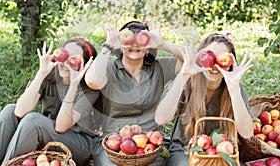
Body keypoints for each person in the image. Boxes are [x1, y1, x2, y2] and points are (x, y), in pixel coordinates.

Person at [0, 38, 100, 166]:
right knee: (9, 110)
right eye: (64, 54)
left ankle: (7, 164)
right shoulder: (50, 75)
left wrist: (73, 84)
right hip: (48, 135)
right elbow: (19, 111)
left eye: (74, 58)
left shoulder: (90, 90)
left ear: (86, 64)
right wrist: (41, 73)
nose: (66, 62)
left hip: (79, 146)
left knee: (34, 121)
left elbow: (60, 127)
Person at [85, 20, 185, 166]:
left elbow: (190, 59)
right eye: (129, 39)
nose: (135, 44)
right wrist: (109, 45)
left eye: (141, 39)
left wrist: (162, 43)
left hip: (151, 147)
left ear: (148, 48)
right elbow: (93, 82)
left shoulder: (160, 67)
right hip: (113, 148)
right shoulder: (109, 68)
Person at [155, 33, 254, 166]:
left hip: (221, 153)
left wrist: (234, 88)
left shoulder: (235, 88)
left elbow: (247, 133)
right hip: (185, 152)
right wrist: (183, 76)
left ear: (230, 64)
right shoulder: (188, 84)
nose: (214, 66)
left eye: (221, 59)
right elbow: (161, 119)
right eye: (209, 57)